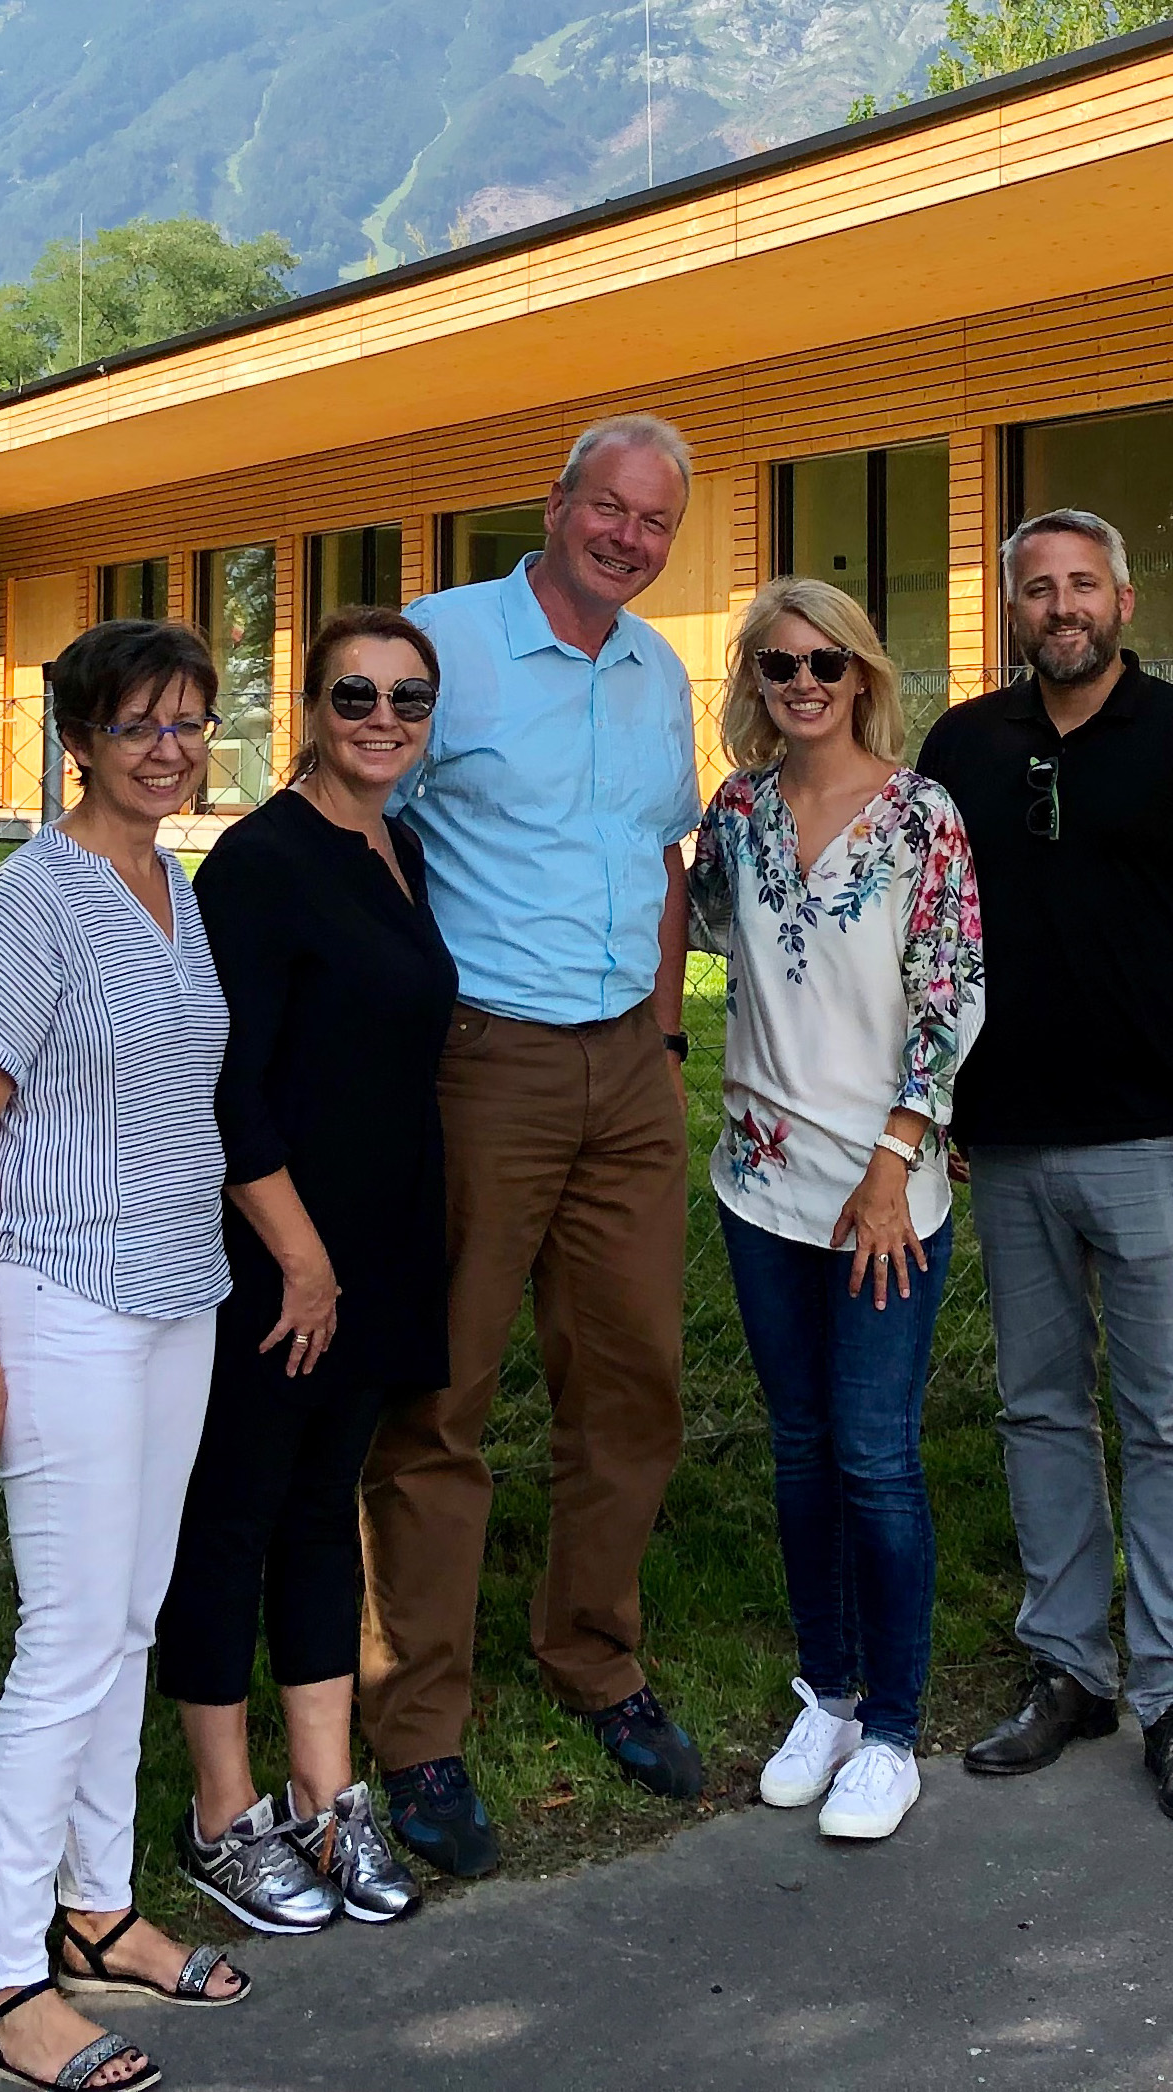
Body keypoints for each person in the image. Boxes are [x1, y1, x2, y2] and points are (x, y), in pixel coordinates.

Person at [360, 414, 708, 1876]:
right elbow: (363, 817)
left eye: (653, 524)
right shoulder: (441, 644)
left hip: (628, 1070)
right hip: (482, 1063)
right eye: (607, 508)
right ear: (557, 503)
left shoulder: (658, 670)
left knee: (631, 1382)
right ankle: (417, 1726)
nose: (626, 537)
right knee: (440, 1399)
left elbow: (666, 857)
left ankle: (593, 1656)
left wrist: (669, 1032)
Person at [916, 510, 1173, 1827]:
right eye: (1037, 589)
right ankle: (1068, 1666)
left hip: (1156, 1142)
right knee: (1035, 1408)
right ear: (1011, 610)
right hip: (1008, 1144)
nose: (1060, 605)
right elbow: (930, 936)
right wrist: (937, 1100)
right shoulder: (962, 745)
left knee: (1167, 1417)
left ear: (1124, 599)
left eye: (1082, 584)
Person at [0, 618, 249, 2092]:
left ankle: (96, 1909)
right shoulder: (29, 905)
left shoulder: (170, 883)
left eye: (188, 721)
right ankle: (3, 1984)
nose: (169, 748)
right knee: (61, 1644)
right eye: (139, 725)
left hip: (178, 1294)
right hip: (57, 1301)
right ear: (79, 740)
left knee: (131, 1618)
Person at [154, 609, 453, 1936]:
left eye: (408, 698)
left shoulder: (402, 847)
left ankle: (328, 1796)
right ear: (309, 708)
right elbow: (225, 1087)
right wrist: (298, 1258)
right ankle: (221, 1818)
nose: (381, 718)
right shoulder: (259, 865)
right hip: (279, 1254)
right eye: (354, 693)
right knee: (234, 1519)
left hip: (379, 1245)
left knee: (324, 1516)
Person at [692, 578, 986, 1843]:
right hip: (759, 1179)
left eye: (825, 664)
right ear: (753, 680)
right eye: (777, 666)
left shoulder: (923, 817)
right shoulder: (738, 814)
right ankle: (828, 1684)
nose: (803, 684)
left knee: (875, 1454)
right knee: (802, 1444)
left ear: (862, 673)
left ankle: (896, 1722)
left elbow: (952, 991)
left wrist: (901, 1152)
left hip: (884, 1191)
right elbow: (695, 931)